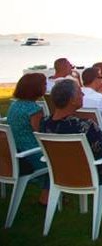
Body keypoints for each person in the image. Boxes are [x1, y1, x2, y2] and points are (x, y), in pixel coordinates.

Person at [41, 79, 102, 184]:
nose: (83, 94)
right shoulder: (85, 126)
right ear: (72, 100)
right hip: (93, 174)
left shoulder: (45, 123)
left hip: (62, 173)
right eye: (79, 92)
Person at [7, 73, 49, 204]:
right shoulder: (34, 109)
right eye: (44, 85)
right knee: (58, 158)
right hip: (31, 152)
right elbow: (40, 133)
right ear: (36, 88)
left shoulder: (15, 105)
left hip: (15, 149)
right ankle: (46, 196)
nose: (46, 87)